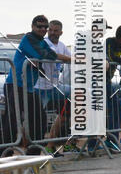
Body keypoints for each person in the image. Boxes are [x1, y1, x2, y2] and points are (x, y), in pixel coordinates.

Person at [2, 15, 70, 148]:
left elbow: (50, 53)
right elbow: (43, 55)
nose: (43, 29)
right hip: (15, 86)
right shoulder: (28, 38)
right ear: (33, 27)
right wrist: (69, 59)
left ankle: (33, 151)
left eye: (45, 27)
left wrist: (68, 58)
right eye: (39, 26)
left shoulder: (41, 41)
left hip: (29, 88)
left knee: (39, 118)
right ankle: (5, 153)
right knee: (12, 120)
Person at [36, 20, 71, 155]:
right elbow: (55, 55)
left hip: (55, 87)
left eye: (55, 30)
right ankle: (28, 151)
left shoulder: (62, 45)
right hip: (40, 88)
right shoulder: (45, 43)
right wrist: (73, 59)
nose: (52, 33)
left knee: (77, 93)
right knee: (35, 121)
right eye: (50, 30)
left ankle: (53, 145)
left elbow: (71, 57)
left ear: (61, 32)